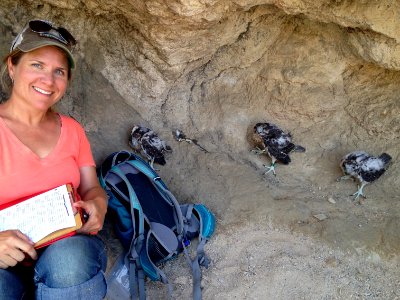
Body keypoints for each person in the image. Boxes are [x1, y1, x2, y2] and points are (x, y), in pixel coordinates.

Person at [0, 19, 108, 299]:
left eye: (59, 71)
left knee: (69, 261)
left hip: (65, 251)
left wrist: (98, 204)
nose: (48, 80)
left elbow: (91, 187)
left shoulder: (72, 130)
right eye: (37, 65)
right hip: (3, 263)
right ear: (12, 66)